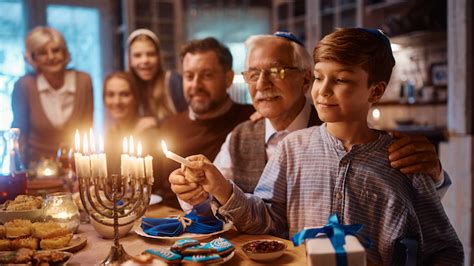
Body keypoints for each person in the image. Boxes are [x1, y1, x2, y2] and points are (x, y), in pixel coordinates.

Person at [173, 28, 464, 264]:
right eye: (322, 78)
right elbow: (266, 218)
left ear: (375, 90)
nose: (323, 91)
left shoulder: (401, 158)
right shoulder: (291, 147)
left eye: (341, 80)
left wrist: (434, 173)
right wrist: (219, 187)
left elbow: (444, 248)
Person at [157, 37, 255, 198]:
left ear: (228, 78)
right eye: (189, 76)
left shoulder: (251, 121)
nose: (196, 85)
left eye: (207, 75)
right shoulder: (170, 127)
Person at [11, 26, 93, 165]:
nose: (51, 57)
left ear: (65, 52)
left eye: (56, 50)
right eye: (43, 53)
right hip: (36, 168)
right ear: (32, 58)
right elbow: (20, 134)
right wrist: (20, 171)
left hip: (75, 166)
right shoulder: (24, 85)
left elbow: (87, 127)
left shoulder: (83, 81)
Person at [102, 71, 159, 175]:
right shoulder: (110, 134)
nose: (117, 102)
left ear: (136, 98)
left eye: (124, 94)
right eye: (110, 95)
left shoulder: (149, 133)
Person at [127, 29, 187, 122]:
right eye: (137, 55)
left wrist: (157, 122)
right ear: (129, 60)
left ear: (159, 58)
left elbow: (189, 117)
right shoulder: (129, 87)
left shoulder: (173, 82)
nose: (145, 60)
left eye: (151, 54)